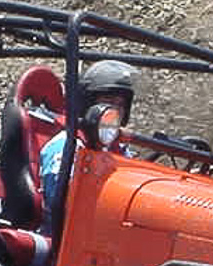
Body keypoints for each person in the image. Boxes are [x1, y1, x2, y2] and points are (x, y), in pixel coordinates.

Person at [38, 60, 138, 236]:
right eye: (108, 102)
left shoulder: (119, 149)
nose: (114, 111)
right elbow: (62, 202)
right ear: (87, 105)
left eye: (120, 105)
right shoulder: (65, 146)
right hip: (63, 238)